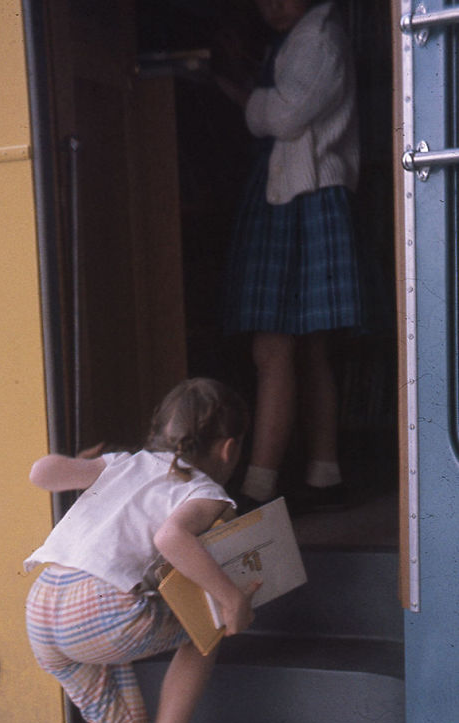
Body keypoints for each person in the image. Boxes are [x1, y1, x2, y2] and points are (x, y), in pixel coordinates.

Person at [24, 378, 260, 723]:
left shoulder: (123, 464)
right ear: (229, 448)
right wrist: (228, 597)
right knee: (204, 623)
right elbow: (171, 539)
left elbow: (42, 474)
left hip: (42, 610)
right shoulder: (205, 490)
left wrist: (83, 466)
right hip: (99, 613)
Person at [218, 0, 363, 511]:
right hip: (302, 195)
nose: (273, 6)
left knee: (275, 349)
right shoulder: (301, 38)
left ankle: (260, 486)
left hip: (300, 198)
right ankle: (324, 473)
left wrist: (250, 102)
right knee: (306, 350)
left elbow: (284, 115)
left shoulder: (317, 40)